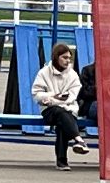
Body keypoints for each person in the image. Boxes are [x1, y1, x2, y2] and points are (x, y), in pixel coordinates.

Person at [30, 43, 89, 171]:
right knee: (61, 114)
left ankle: (62, 162)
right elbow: (36, 93)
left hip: (68, 109)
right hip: (49, 110)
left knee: (63, 121)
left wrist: (53, 99)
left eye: (69, 58)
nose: (67, 61)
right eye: (64, 57)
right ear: (56, 57)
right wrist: (54, 97)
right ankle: (79, 140)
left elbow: (73, 96)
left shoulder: (73, 75)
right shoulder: (44, 73)